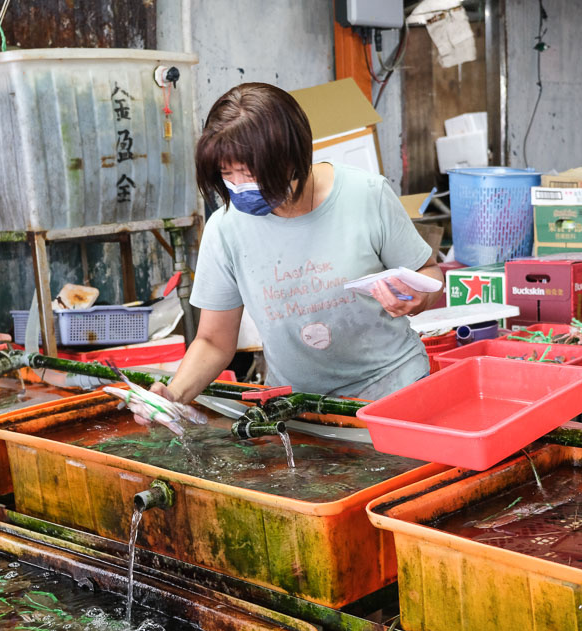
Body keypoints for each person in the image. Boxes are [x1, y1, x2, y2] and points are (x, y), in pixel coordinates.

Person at [149, 82, 443, 409]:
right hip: (300, 406)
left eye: (249, 175)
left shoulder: (366, 195)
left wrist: (419, 296)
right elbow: (213, 341)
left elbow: (429, 272)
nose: (239, 188)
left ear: (292, 158)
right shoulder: (225, 229)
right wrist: (173, 395)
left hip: (394, 387)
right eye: (227, 176)